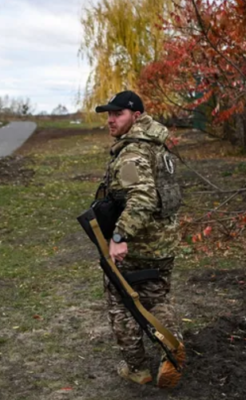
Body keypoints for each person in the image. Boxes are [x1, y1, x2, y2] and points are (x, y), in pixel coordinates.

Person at [94, 91, 184, 388]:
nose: (110, 120)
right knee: (158, 297)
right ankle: (172, 353)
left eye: (117, 114)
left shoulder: (133, 152)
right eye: (108, 114)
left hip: (138, 244)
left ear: (136, 115)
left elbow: (142, 197)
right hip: (163, 242)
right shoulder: (156, 144)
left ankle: (137, 368)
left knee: (120, 301)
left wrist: (119, 235)